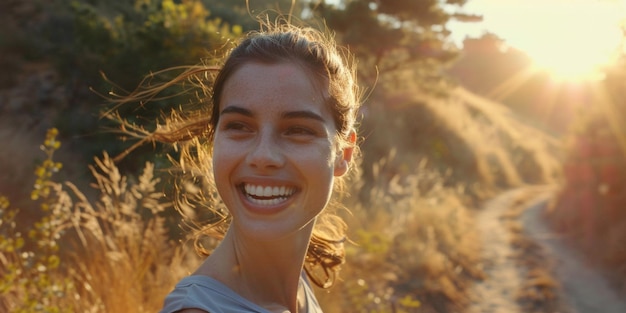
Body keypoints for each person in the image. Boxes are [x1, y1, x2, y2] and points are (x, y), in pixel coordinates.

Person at [110, 18, 362, 313]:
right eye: (240, 126)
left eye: (298, 130)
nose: (263, 155)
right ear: (214, 139)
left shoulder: (292, 285)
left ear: (343, 153)